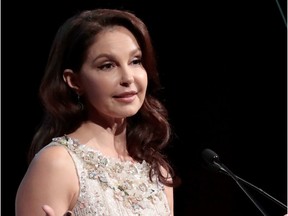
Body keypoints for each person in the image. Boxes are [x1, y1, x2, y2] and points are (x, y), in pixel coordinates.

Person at [15, 8, 180, 216]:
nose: (128, 77)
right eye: (107, 66)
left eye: (135, 61)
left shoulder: (156, 172)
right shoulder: (57, 164)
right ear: (74, 81)